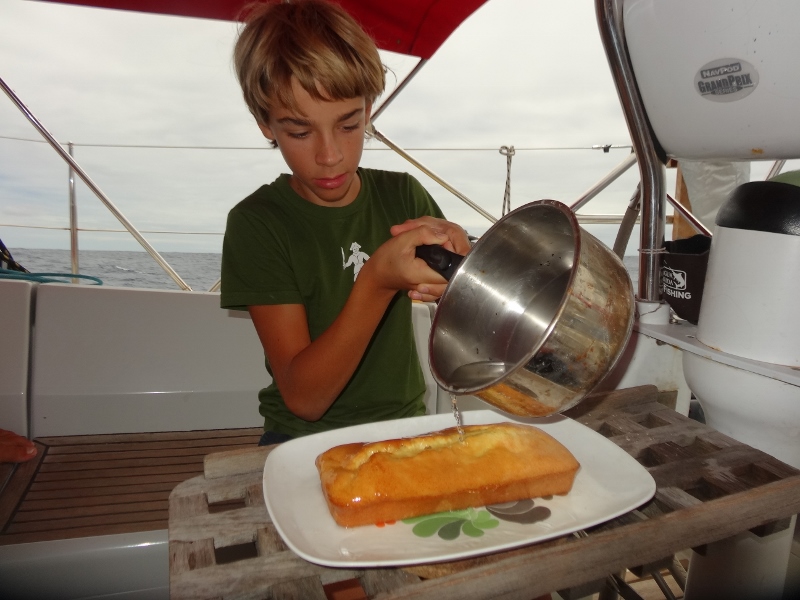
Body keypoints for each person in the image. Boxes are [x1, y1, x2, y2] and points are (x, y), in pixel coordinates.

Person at [220, 0, 470, 445]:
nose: (330, 155)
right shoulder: (257, 224)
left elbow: (464, 322)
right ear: (265, 124)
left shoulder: (404, 195)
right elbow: (304, 399)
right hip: (300, 438)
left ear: (368, 110)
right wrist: (376, 281)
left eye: (349, 125)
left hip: (403, 426)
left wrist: (459, 276)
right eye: (300, 132)